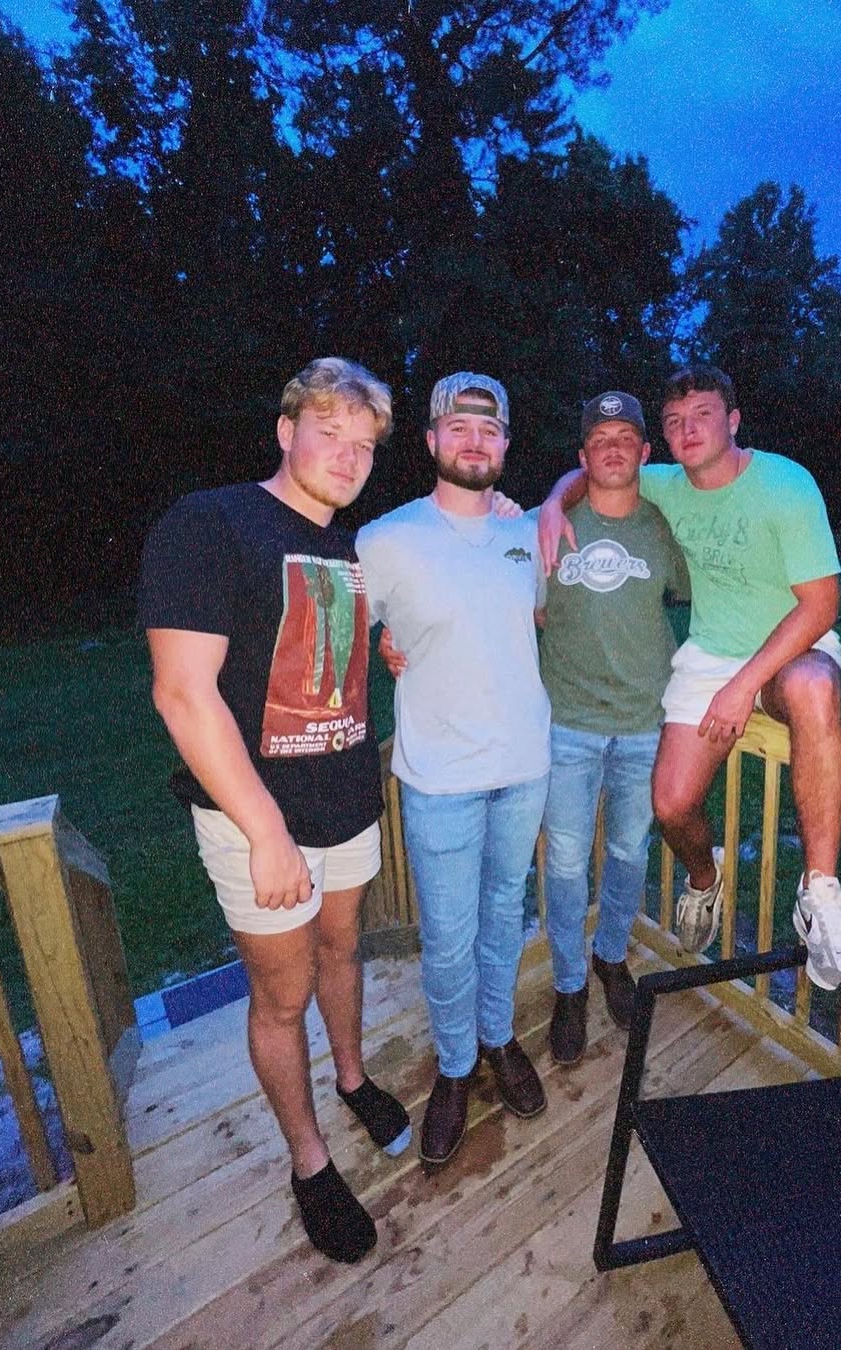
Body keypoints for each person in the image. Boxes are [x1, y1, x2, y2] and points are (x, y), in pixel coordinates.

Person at [138, 357, 411, 1266]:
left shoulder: (351, 548)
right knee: (282, 997)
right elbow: (183, 694)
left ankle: (353, 1077)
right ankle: (309, 1160)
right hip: (258, 825)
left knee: (344, 952)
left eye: (364, 443)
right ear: (286, 431)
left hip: (348, 803)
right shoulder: (210, 524)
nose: (348, 455)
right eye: (329, 433)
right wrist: (264, 832)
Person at [539, 366, 841, 995]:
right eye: (674, 422)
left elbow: (821, 605)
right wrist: (556, 501)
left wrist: (744, 686)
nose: (688, 430)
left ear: (733, 420)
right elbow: (594, 469)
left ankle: (821, 896)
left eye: (702, 415)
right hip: (710, 655)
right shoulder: (665, 483)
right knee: (669, 805)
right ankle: (704, 877)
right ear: (662, 440)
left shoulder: (786, 484)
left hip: (792, 648)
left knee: (813, 688)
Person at [356, 373, 551, 1167]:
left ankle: (498, 1038)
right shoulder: (386, 539)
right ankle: (455, 1065)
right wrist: (383, 642)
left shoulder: (526, 532)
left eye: (489, 429)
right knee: (446, 937)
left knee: (505, 914)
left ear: (505, 445)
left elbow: (531, 615)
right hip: (438, 777)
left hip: (525, 765)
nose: (475, 441)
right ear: (432, 440)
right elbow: (346, 633)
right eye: (459, 427)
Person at [537, 391, 689, 1064]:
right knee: (567, 863)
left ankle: (611, 954)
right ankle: (569, 984)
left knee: (629, 852)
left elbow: (717, 590)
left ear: (645, 452)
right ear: (583, 455)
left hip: (644, 724)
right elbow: (518, 604)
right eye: (600, 438)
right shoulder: (550, 523)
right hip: (566, 724)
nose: (613, 447)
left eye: (626, 436)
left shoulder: (665, 526)